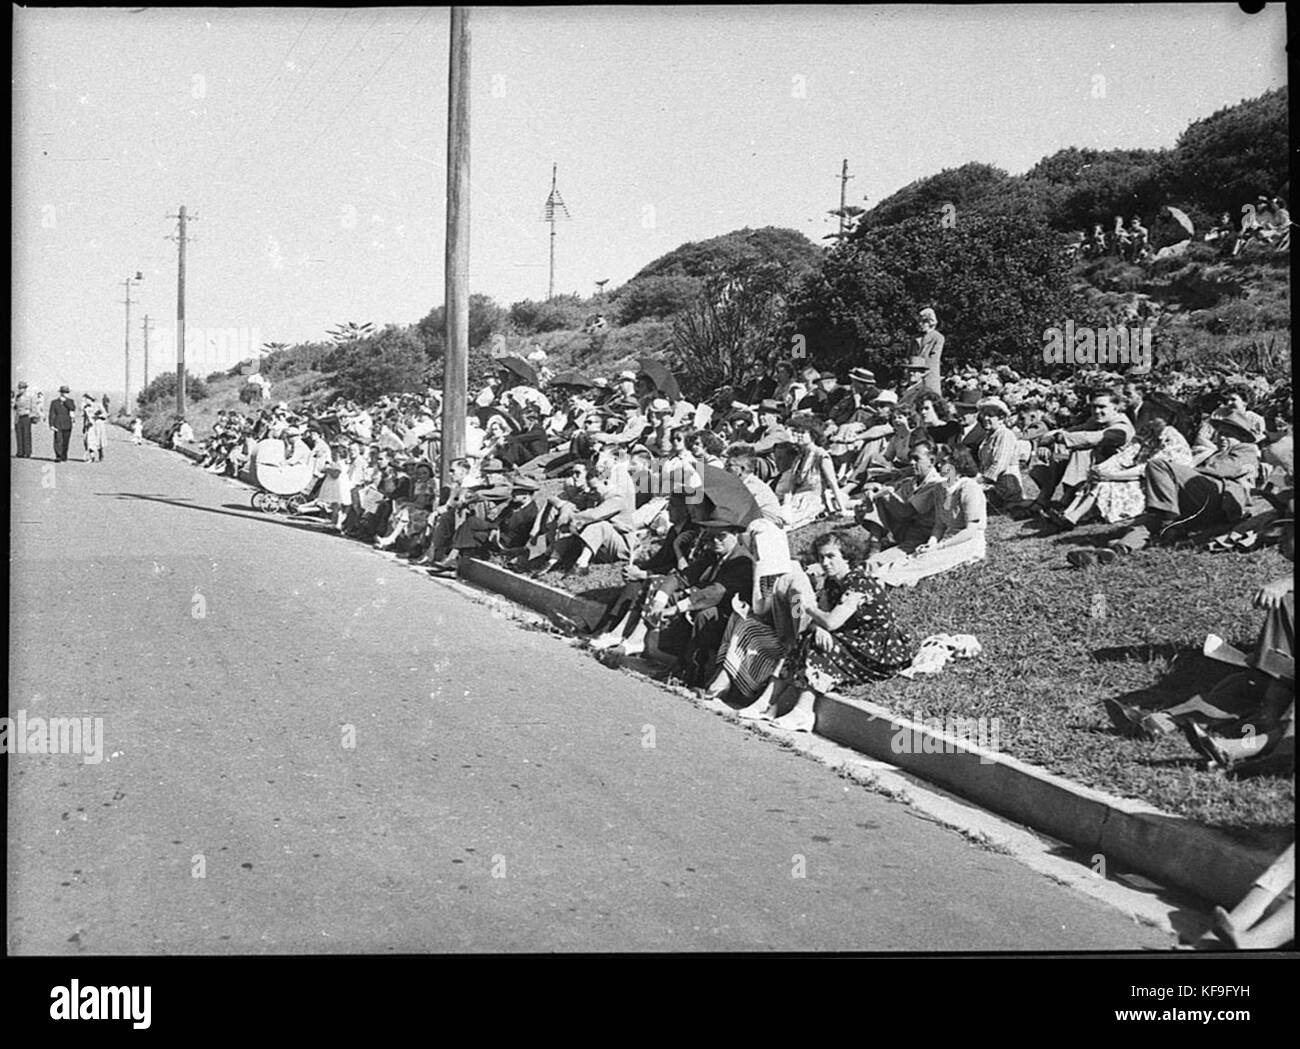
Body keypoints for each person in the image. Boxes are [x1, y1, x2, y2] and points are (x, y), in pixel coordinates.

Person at [757, 531, 911, 732]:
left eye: (831, 556)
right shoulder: (832, 582)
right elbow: (821, 621)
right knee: (809, 636)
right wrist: (817, 626)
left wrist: (809, 608)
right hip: (854, 640)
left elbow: (831, 621)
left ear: (847, 556)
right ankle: (767, 702)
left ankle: (803, 711)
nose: (825, 562)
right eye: (821, 557)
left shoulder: (859, 583)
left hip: (879, 651)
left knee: (822, 645)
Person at [871, 444, 988, 587]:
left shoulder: (969, 488)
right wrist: (932, 543)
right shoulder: (940, 488)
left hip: (968, 542)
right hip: (947, 539)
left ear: (957, 464)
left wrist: (940, 546)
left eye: (945, 461)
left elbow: (970, 531)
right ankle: (877, 575)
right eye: (940, 461)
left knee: (927, 561)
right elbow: (939, 525)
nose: (939, 465)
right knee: (918, 555)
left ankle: (882, 581)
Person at [915, 308, 944, 395]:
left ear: (930, 323)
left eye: (924, 322)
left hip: (929, 374)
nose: (920, 324)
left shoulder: (937, 337)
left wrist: (923, 371)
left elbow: (934, 358)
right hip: (915, 375)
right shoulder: (915, 338)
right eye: (919, 322)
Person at [48, 385, 75, 462]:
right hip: (58, 423)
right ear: (60, 393)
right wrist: (51, 425)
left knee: (66, 441)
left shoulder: (70, 401)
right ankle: (58, 456)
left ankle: (64, 455)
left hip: (67, 424)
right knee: (58, 440)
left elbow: (72, 408)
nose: (65, 394)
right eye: (64, 392)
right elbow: (51, 414)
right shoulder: (54, 402)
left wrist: (65, 401)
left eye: (67, 393)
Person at [12, 381, 35, 458]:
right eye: (19, 388)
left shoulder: (29, 397)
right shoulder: (17, 397)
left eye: (21, 388)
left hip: (26, 417)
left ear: (25, 389)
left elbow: (33, 407)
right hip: (18, 417)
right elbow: (15, 407)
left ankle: (27, 452)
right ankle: (20, 452)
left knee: (26, 434)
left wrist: (32, 416)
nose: (20, 390)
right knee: (19, 434)